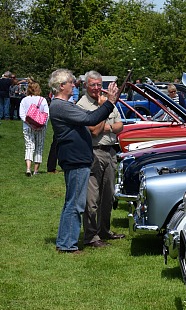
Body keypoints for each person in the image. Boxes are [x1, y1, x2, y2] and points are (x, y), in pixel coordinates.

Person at [49, 68, 120, 253]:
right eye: (71, 82)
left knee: (72, 202)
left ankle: (65, 242)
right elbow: (91, 118)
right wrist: (110, 102)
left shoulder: (63, 105)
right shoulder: (61, 106)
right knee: (76, 204)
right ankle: (67, 245)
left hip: (76, 158)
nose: (74, 85)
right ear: (61, 85)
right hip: (76, 160)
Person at [78, 70, 126, 248]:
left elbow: (120, 126)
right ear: (85, 86)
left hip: (111, 152)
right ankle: (91, 236)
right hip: (93, 152)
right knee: (92, 199)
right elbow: (94, 130)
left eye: (99, 85)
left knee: (108, 196)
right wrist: (104, 110)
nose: (97, 88)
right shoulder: (82, 105)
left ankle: (104, 230)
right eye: (93, 85)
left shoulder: (107, 101)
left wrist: (108, 125)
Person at [19, 81, 50, 176]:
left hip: (27, 126)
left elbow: (22, 114)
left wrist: (30, 124)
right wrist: (41, 125)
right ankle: (36, 170)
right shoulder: (42, 100)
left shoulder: (24, 100)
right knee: (39, 147)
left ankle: (28, 168)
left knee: (29, 146)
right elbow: (46, 114)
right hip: (40, 127)